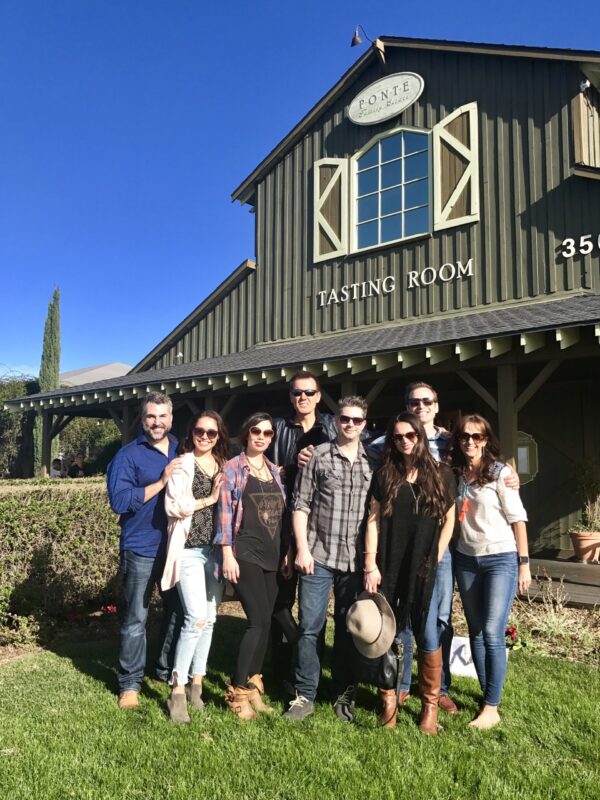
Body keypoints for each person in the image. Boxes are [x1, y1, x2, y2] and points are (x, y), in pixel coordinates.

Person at [364, 411, 457, 734]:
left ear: (420, 436)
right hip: (389, 564)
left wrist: (437, 555)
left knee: (428, 633)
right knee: (388, 634)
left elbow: (449, 519)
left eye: (410, 436)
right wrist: (370, 563)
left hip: (424, 565)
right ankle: (388, 702)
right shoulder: (385, 475)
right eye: (398, 437)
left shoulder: (441, 474)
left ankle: (429, 708)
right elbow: (373, 521)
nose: (404, 442)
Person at [284, 396, 372, 723]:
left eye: (356, 420)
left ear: (364, 424)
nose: (349, 424)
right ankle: (305, 693)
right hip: (317, 555)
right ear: (336, 421)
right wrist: (302, 549)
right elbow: (300, 504)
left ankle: (343, 692)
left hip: (354, 561)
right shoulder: (318, 457)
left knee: (350, 630)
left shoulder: (372, 461)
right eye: (344, 419)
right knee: (310, 627)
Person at [449, 414, 531, 729]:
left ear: (486, 439)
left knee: (493, 632)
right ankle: (487, 694)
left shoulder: (500, 473)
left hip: (500, 558)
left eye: (477, 436)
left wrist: (523, 563)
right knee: (475, 631)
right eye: (465, 436)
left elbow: (518, 519)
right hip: (466, 559)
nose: (471, 441)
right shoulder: (456, 473)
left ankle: (491, 708)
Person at [106, 392, 184, 709]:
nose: (157, 422)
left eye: (162, 416)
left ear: (171, 418)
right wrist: (162, 482)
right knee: (136, 618)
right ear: (143, 418)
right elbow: (120, 502)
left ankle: (163, 670)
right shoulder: (128, 456)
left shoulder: (183, 449)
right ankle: (129, 685)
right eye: (151, 416)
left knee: (178, 612)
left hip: (178, 549)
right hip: (141, 548)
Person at [214, 412, 288, 720]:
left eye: (267, 433)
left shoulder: (274, 471)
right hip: (245, 553)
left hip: (272, 555)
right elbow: (225, 514)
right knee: (257, 621)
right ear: (246, 434)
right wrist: (227, 554)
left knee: (268, 623)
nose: (261, 436)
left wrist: (286, 552)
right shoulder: (233, 468)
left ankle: (254, 688)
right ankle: (237, 693)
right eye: (255, 431)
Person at [266, 370, 337, 689]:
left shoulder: (335, 426)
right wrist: (285, 466)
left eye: (309, 392)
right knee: (279, 602)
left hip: (322, 528)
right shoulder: (278, 428)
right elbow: (254, 465)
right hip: (282, 524)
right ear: (290, 397)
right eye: (297, 393)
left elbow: (364, 453)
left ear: (319, 396)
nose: (303, 398)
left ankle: (311, 669)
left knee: (314, 608)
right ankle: (278, 668)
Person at [160, 411, 230, 723]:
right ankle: (178, 688)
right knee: (195, 618)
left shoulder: (225, 466)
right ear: (192, 432)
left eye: (211, 433)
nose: (204, 436)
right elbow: (173, 506)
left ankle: (197, 685)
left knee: (211, 618)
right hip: (188, 550)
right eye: (200, 431)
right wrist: (210, 498)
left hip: (214, 552)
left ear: (219, 436)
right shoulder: (182, 463)